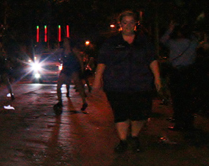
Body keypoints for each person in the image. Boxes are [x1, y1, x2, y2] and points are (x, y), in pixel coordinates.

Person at [92, 10, 161, 153]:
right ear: (120, 25)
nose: (128, 25)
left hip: (141, 84)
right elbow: (102, 62)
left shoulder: (144, 41)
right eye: (125, 22)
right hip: (116, 85)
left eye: (131, 22)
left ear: (135, 24)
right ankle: (123, 140)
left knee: (140, 114)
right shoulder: (111, 42)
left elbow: (152, 60)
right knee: (121, 113)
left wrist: (157, 78)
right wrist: (97, 81)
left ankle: (135, 137)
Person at [160, 21, 200, 131]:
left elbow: (163, 40)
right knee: (188, 98)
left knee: (177, 98)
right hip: (188, 72)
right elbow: (197, 38)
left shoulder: (173, 43)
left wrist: (170, 28)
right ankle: (188, 123)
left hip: (176, 72)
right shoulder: (192, 43)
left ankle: (178, 122)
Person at [54, 38, 87, 112]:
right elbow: (54, 53)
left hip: (73, 69)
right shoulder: (62, 51)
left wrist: (82, 69)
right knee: (58, 85)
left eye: (66, 41)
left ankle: (84, 102)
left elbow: (80, 59)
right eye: (64, 41)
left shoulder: (73, 50)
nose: (64, 43)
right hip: (65, 69)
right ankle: (60, 102)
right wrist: (58, 58)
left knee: (78, 85)